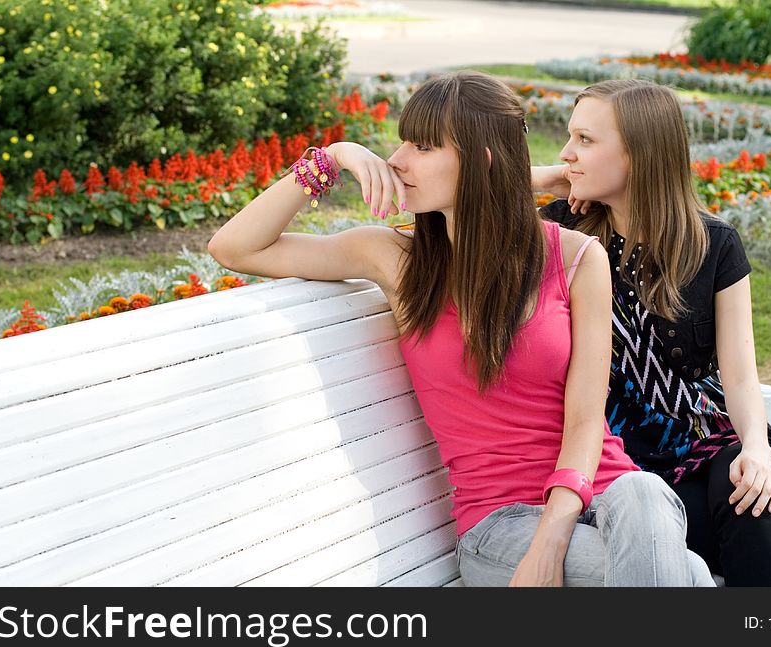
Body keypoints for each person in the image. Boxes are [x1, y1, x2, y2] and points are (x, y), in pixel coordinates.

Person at [207, 71, 714, 587]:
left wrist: (552, 542)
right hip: (501, 522)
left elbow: (586, 421)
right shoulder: (397, 259)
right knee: (688, 575)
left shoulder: (577, 258)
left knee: (645, 492)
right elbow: (236, 248)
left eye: (423, 146)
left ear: (482, 162)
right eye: (402, 143)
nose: (397, 160)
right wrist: (334, 157)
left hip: (605, 497)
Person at [535, 78, 771, 586]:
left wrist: (755, 446)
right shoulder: (562, 233)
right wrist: (554, 178)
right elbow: (459, 207)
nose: (567, 151)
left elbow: (742, 374)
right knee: (757, 546)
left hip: (716, 435)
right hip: (630, 467)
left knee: (749, 493)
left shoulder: (715, 244)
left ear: (640, 155)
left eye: (585, 140)